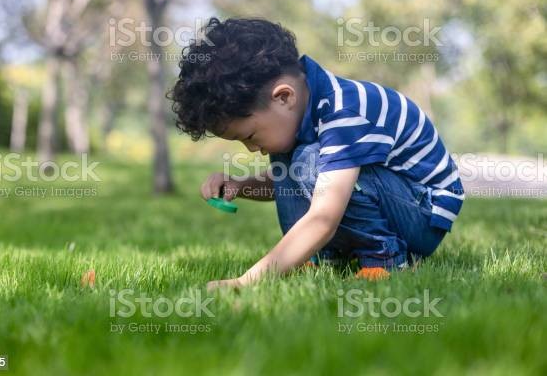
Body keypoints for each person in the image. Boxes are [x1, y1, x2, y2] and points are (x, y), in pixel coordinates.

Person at [169, 17, 464, 289]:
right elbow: (298, 181)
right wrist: (242, 185)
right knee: (293, 154)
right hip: (392, 200)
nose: (252, 148)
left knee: (307, 159)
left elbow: (324, 215)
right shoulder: (299, 116)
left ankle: (385, 259)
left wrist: (247, 281)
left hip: (421, 214)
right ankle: (322, 257)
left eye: (249, 136)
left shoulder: (344, 111)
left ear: (284, 96)